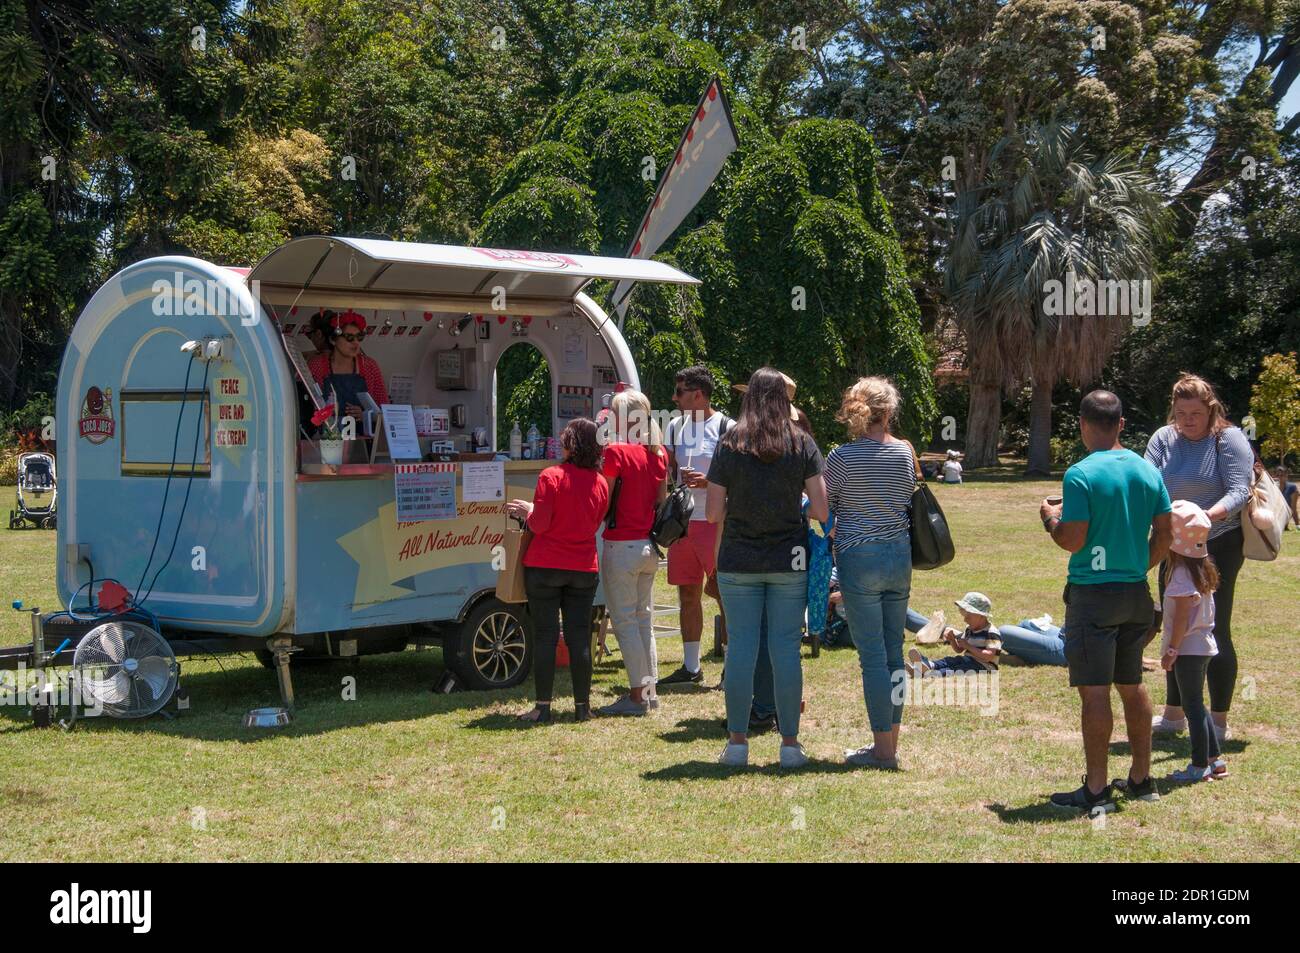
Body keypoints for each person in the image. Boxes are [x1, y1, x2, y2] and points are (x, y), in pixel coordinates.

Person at [1042, 390, 1172, 812]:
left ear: (1082, 425)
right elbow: (1166, 535)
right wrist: (1138, 566)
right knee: (1132, 685)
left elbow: (1072, 538)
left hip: (1093, 597)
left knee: (1094, 693)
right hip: (1136, 595)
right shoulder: (1147, 471)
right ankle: (1141, 778)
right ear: (1121, 424)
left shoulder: (1079, 475)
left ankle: (1097, 789)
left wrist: (1050, 518)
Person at [706, 367, 826, 768]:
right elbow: (821, 509)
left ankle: (737, 743)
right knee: (785, 649)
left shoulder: (729, 443)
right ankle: (789, 743)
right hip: (788, 558)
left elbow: (711, 511)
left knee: (740, 648)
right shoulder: (802, 442)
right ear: (784, 401)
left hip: (738, 557)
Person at [1145, 374, 1252, 744]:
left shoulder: (1228, 438)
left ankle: (1218, 720)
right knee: (1175, 621)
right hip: (1171, 543)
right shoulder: (1163, 438)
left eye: (1195, 413)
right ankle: (1174, 715)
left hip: (1218, 542)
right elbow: (1149, 482)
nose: (1188, 420)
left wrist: (1207, 515)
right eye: (1180, 413)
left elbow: (1241, 489)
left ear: (1211, 410)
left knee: (1212, 627)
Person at [824, 376, 916, 769]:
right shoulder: (904, 454)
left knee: (873, 658)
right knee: (894, 652)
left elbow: (825, 509)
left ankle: (882, 750)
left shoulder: (841, 457)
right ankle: (889, 744)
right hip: (898, 556)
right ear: (889, 411)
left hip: (859, 558)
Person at [505, 418, 609, 724]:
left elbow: (540, 524)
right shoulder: (601, 482)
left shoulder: (550, 476)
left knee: (546, 636)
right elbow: (592, 521)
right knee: (579, 638)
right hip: (583, 567)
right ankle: (582, 707)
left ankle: (543, 707)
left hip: (545, 566)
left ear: (570, 445)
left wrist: (528, 511)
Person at [595, 389, 668, 717]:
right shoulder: (659, 453)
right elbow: (660, 501)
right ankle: (650, 692)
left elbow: (603, 501)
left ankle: (637, 696)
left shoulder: (616, 453)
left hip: (621, 544)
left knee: (625, 621)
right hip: (648, 546)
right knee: (644, 621)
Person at [659, 366, 733, 686]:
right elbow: (667, 471)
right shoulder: (675, 427)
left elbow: (738, 476)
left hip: (715, 522)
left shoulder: (727, 427)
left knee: (725, 595)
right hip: (682, 523)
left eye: (680, 393)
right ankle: (691, 668)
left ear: (699, 395)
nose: (674, 398)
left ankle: (733, 666)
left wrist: (709, 483)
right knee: (687, 594)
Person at [1157, 500, 1229, 783]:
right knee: (1197, 704)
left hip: (1188, 649)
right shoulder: (1202, 568)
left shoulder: (1180, 574)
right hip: (1204, 646)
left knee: (1192, 706)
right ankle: (1215, 760)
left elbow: (1182, 617)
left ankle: (1199, 766)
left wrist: (1171, 650)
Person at [307, 309, 390, 424]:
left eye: (359, 337)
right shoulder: (316, 365)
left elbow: (386, 411)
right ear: (333, 340)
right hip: (328, 437)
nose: (356, 343)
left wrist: (366, 415)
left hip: (364, 439)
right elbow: (306, 407)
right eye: (349, 338)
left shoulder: (369, 366)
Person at [906, 591, 1002, 677]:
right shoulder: (969, 630)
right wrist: (952, 640)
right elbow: (959, 650)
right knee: (951, 660)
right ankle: (929, 665)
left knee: (957, 669)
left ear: (981, 616)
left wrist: (968, 646)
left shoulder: (991, 632)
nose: (965, 619)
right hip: (968, 660)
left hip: (984, 667)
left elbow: (989, 656)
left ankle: (930, 673)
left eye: (968, 616)